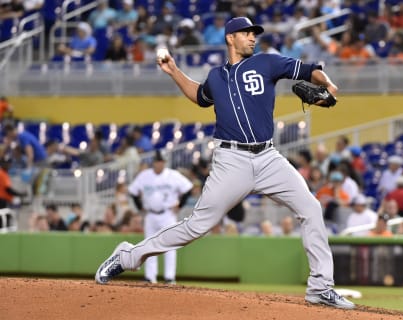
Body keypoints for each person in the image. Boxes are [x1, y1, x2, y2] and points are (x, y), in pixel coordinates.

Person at [95, 17, 355, 310]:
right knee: (197, 226)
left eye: (254, 33)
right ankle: (127, 256)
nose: (252, 37)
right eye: (246, 33)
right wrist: (174, 71)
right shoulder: (216, 77)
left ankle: (321, 287)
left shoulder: (267, 62)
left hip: (268, 157)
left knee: (311, 208)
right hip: (231, 160)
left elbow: (310, 71)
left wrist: (330, 86)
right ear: (230, 38)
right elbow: (200, 96)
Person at [128, 150, 193, 284]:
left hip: (167, 214)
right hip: (151, 214)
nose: (159, 164)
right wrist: (140, 207)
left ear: (164, 162)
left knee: (170, 244)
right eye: (157, 161)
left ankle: (170, 277)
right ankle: (150, 277)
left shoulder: (173, 175)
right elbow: (133, 192)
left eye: (161, 161)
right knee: (149, 245)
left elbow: (188, 189)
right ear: (154, 162)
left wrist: (180, 205)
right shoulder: (145, 176)